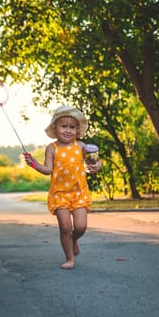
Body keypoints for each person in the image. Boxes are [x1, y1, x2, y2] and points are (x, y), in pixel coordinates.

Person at [24, 106, 102, 269]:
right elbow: (48, 169)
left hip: (79, 192)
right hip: (60, 193)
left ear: (77, 130)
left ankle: (73, 240)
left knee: (81, 226)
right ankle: (70, 258)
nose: (68, 130)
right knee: (65, 227)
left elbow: (94, 161)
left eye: (72, 127)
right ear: (55, 128)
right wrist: (34, 164)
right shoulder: (52, 148)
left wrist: (97, 166)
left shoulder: (81, 146)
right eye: (63, 126)